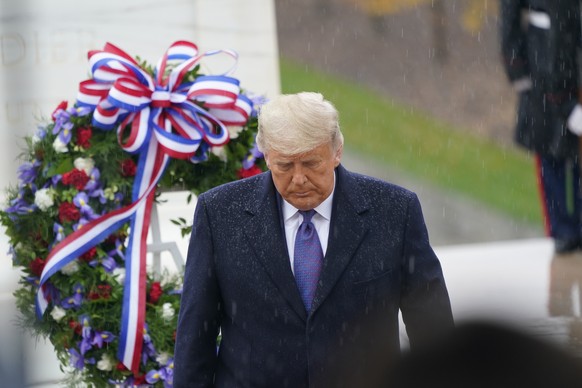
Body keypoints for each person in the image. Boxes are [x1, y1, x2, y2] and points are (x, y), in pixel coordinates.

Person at [173, 92, 454, 387]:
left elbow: (432, 330)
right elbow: (195, 338)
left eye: (310, 163)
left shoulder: (395, 211)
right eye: (284, 166)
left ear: (337, 152)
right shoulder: (218, 214)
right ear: (266, 157)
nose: (298, 179)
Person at [500, 0, 582, 253]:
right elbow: (510, 13)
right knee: (549, 151)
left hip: (575, 55)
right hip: (541, 55)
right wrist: (516, 64)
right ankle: (563, 230)